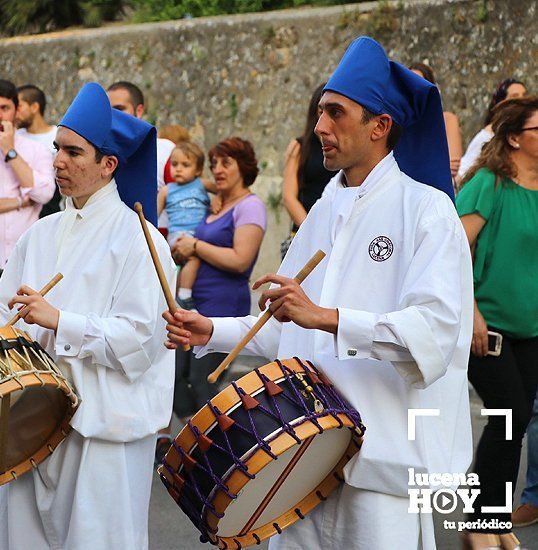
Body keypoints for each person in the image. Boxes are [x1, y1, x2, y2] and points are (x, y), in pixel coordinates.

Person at [165, 36, 472, 550]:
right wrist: (212, 329)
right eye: (319, 112)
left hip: (381, 469)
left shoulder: (427, 210)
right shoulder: (327, 206)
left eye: (335, 112)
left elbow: (435, 336)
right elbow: (289, 329)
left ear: (380, 125)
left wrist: (330, 318)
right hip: (303, 459)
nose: (319, 127)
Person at [0, 82, 174, 549]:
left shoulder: (142, 241)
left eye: (74, 152)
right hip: (32, 426)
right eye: (56, 149)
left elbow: (141, 341)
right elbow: (2, 313)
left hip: (103, 435)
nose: (57, 162)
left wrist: (60, 320)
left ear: (108, 164)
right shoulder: (42, 233)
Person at [456, 96, 538, 550]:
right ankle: (481, 524)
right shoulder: (487, 184)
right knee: (509, 416)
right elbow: (453, 253)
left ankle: (492, 519)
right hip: (489, 326)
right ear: (513, 138)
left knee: (515, 422)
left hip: (532, 328)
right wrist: (472, 312)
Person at [168, 137, 266, 437]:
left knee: (203, 383)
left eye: (226, 163)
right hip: (192, 303)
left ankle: (218, 450)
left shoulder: (251, 206)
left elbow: (240, 260)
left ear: (243, 168)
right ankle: (200, 441)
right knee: (172, 379)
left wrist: (195, 245)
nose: (217, 170)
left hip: (223, 308)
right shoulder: (214, 206)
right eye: (213, 164)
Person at [0, 79, 55, 269]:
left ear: (16, 110)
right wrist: (21, 201)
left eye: (4, 108)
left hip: (26, 261)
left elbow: (44, 194)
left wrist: (10, 152)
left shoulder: (37, 150)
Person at [107, 81, 176, 230]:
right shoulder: (98, 152)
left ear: (139, 111)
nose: (113, 116)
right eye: (108, 110)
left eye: (119, 109)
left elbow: (183, 193)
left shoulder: (165, 150)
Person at [281, 83, 338, 257]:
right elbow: (289, 197)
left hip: (335, 234)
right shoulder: (299, 146)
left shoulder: (345, 148)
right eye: (321, 111)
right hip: (304, 233)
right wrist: (310, 231)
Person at [156, 141, 210, 310]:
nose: (178, 169)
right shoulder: (167, 190)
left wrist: (219, 201)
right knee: (192, 259)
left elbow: (225, 192)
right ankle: (184, 296)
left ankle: (177, 295)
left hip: (198, 234)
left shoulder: (202, 184)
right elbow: (154, 215)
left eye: (185, 165)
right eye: (174, 164)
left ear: (198, 170)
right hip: (178, 235)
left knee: (184, 264)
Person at [459, 78, 528, 181]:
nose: (522, 100)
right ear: (501, 102)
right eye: (515, 96)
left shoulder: (528, 133)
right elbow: (463, 173)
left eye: (524, 95)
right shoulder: (487, 135)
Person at [408, 63, 463, 179]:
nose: (413, 88)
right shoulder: (399, 121)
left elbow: (453, 168)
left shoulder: (447, 120)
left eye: (419, 82)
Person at [16, 84, 62, 218]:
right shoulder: (15, 138)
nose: (15, 112)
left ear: (34, 107)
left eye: (19, 106)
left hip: (50, 209)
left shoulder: (58, 136)